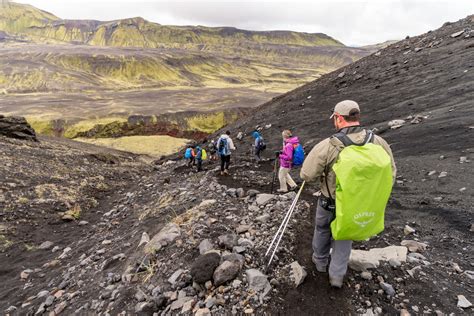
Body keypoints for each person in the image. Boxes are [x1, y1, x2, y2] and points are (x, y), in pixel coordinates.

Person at [300, 100, 396, 288]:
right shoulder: (378, 142)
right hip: (357, 203)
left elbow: (306, 175)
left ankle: (319, 263)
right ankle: (337, 276)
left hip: (329, 201)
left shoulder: (329, 145)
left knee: (322, 229)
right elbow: (391, 172)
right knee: (344, 237)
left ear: (338, 119)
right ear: (357, 117)